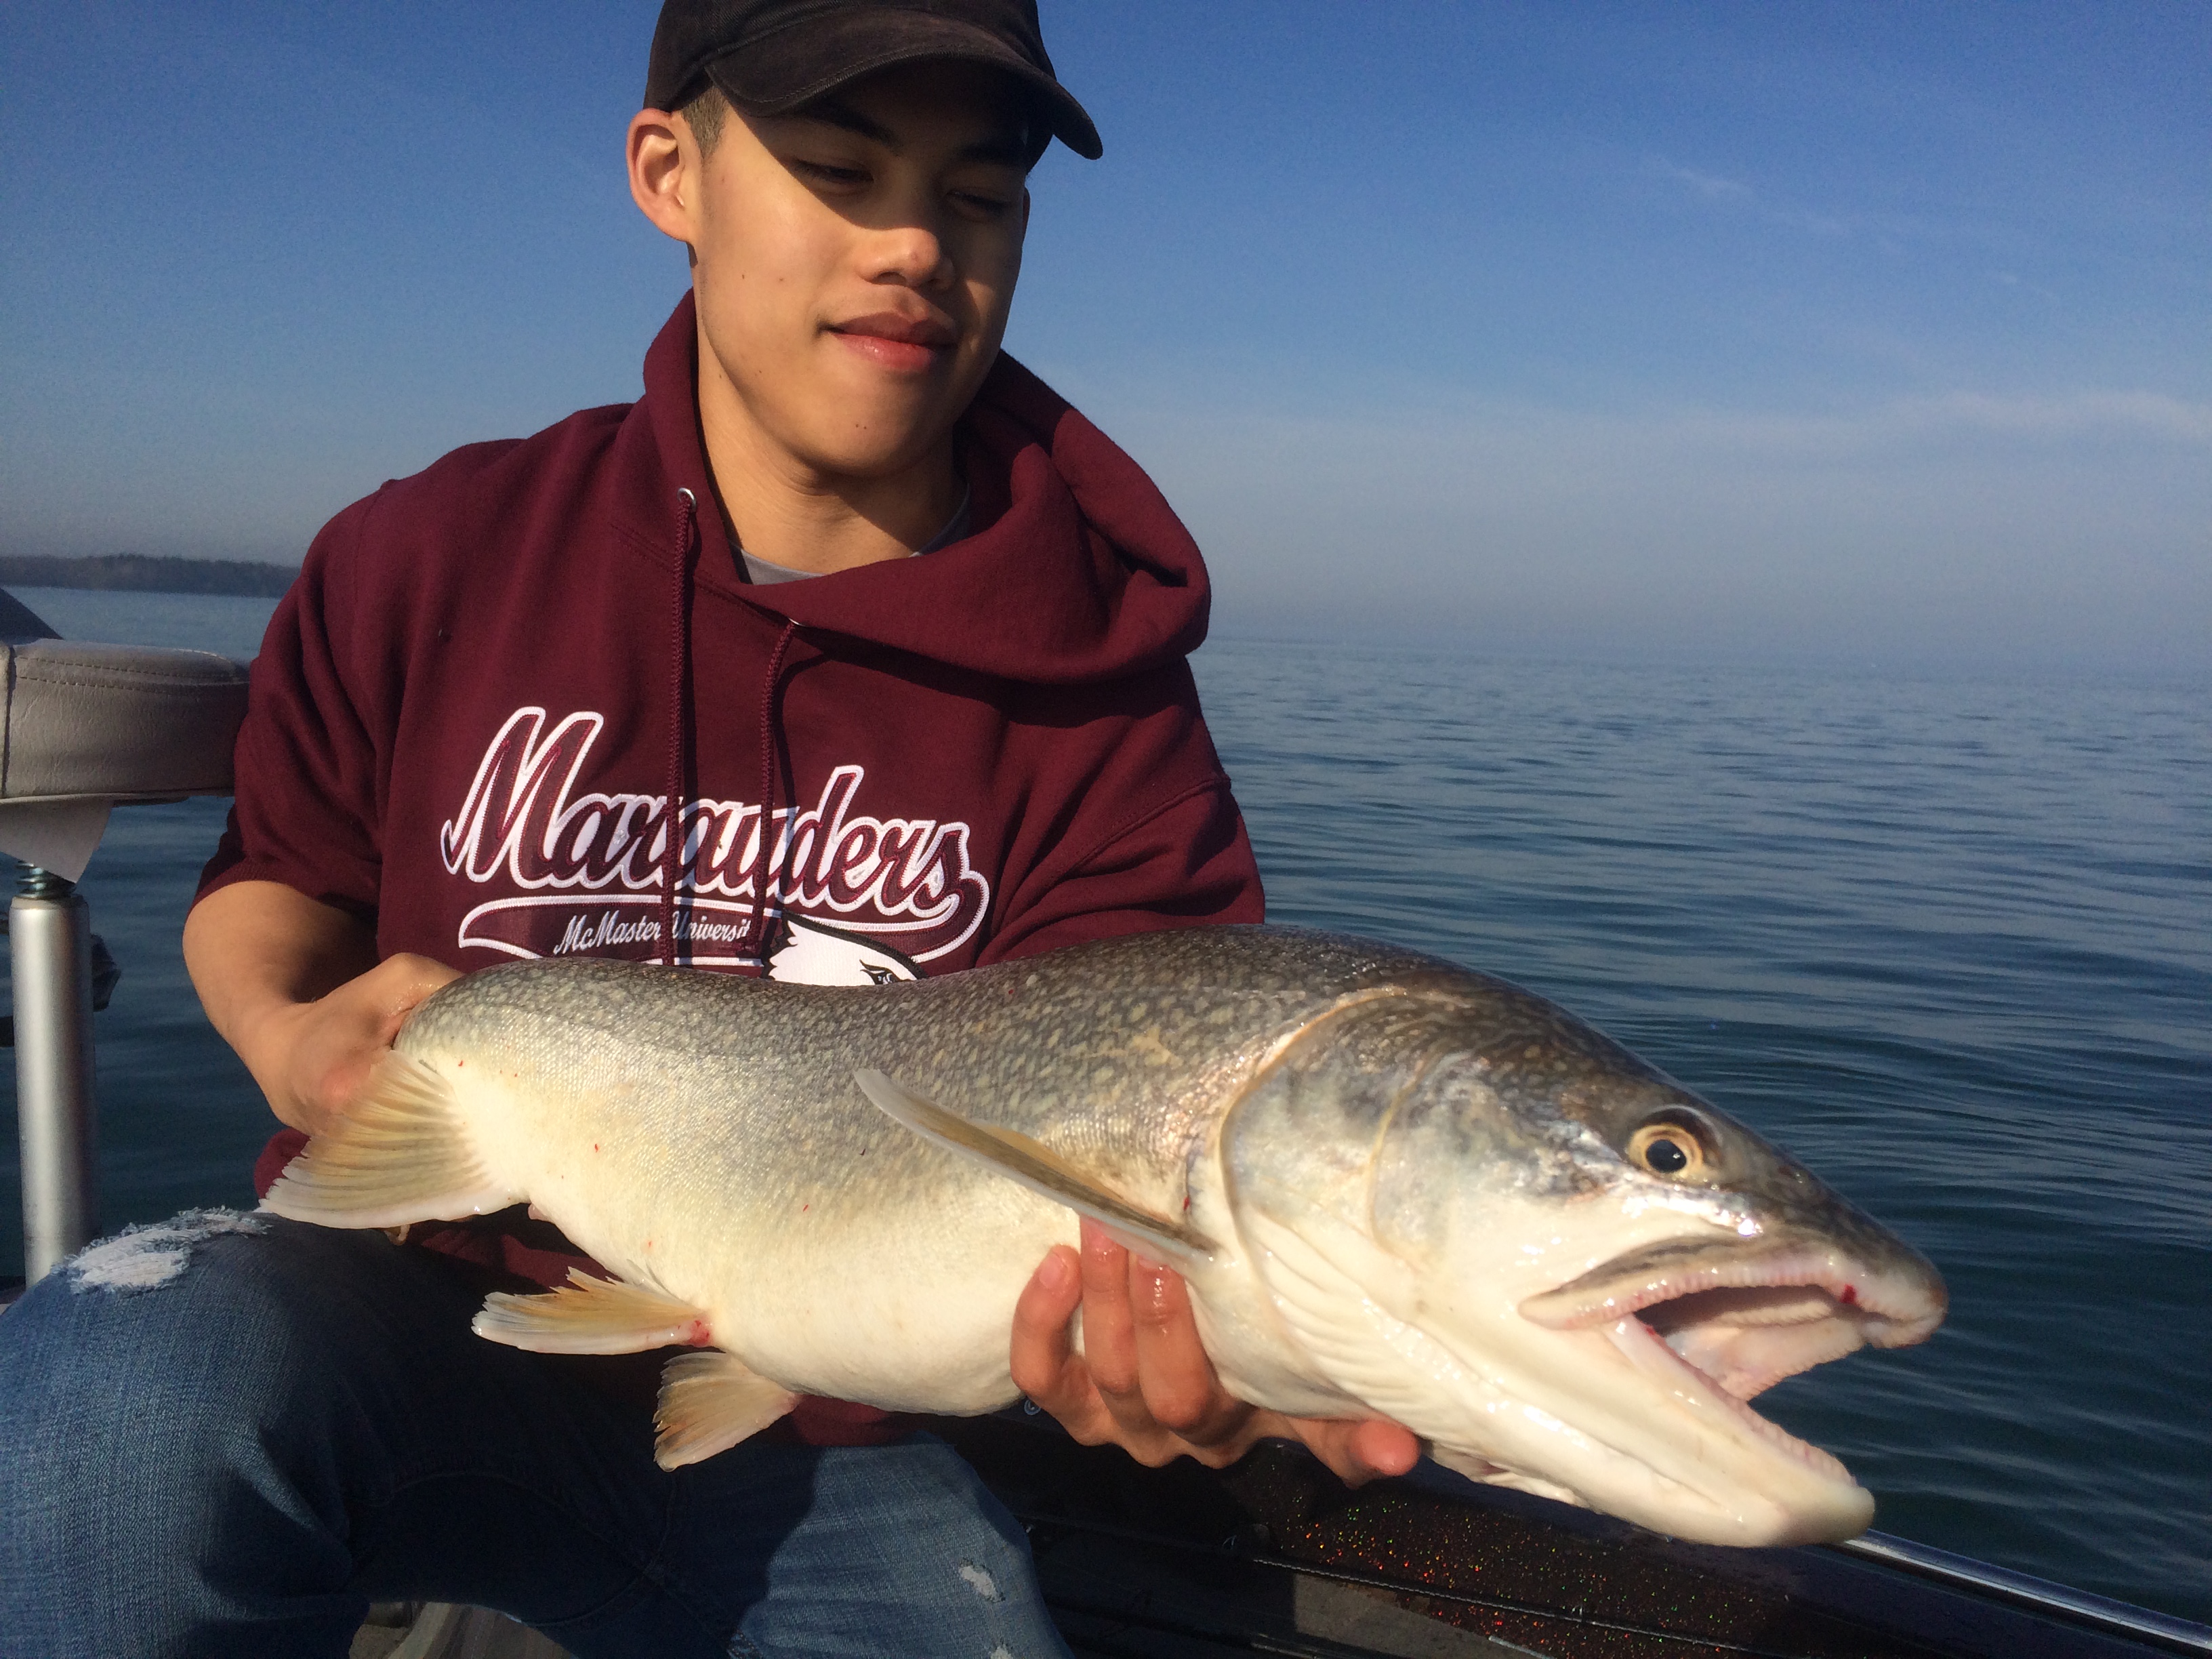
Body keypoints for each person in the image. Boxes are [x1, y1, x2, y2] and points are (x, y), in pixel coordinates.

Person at [0, 3, 1415, 1654]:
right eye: (836, 169)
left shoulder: (1104, 700)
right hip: (398, 1327)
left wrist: (1179, 1356)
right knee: (111, 1381)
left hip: (846, 1437)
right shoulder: (428, 556)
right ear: (670, 172)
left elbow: (1154, 1157)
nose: (909, 247)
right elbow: (274, 885)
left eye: (977, 196)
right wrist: (290, 1042)